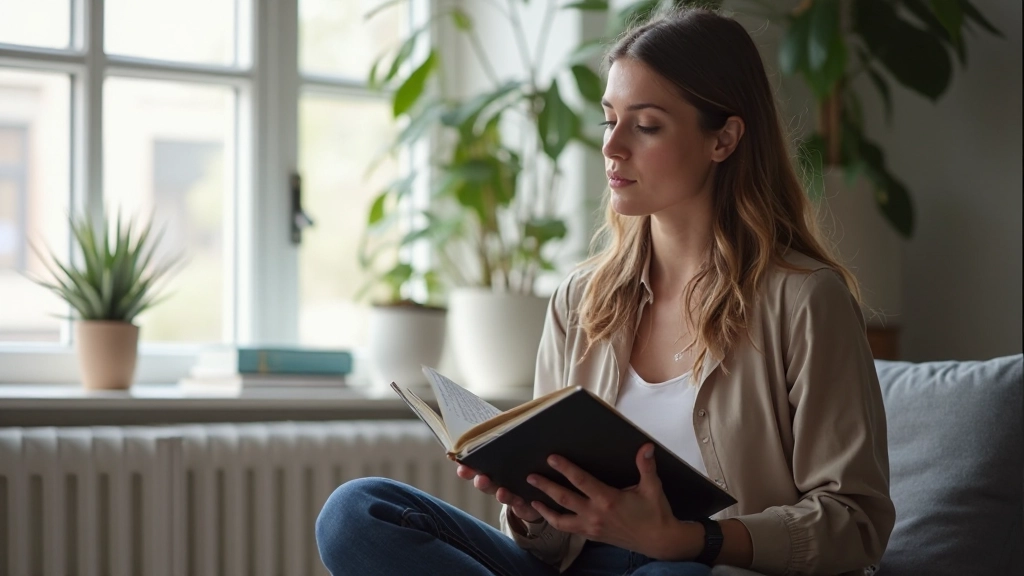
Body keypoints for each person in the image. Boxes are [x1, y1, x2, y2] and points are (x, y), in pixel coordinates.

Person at [315, 7, 894, 576]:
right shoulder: (580, 298)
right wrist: (533, 508)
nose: (613, 147)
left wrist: (695, 539)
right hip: (579, 568)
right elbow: (548, 548)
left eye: (645, 125)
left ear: (724, 139)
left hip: (696, 570)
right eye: (608, 119)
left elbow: (856, 522)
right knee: (357, 512)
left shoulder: (805, 301)